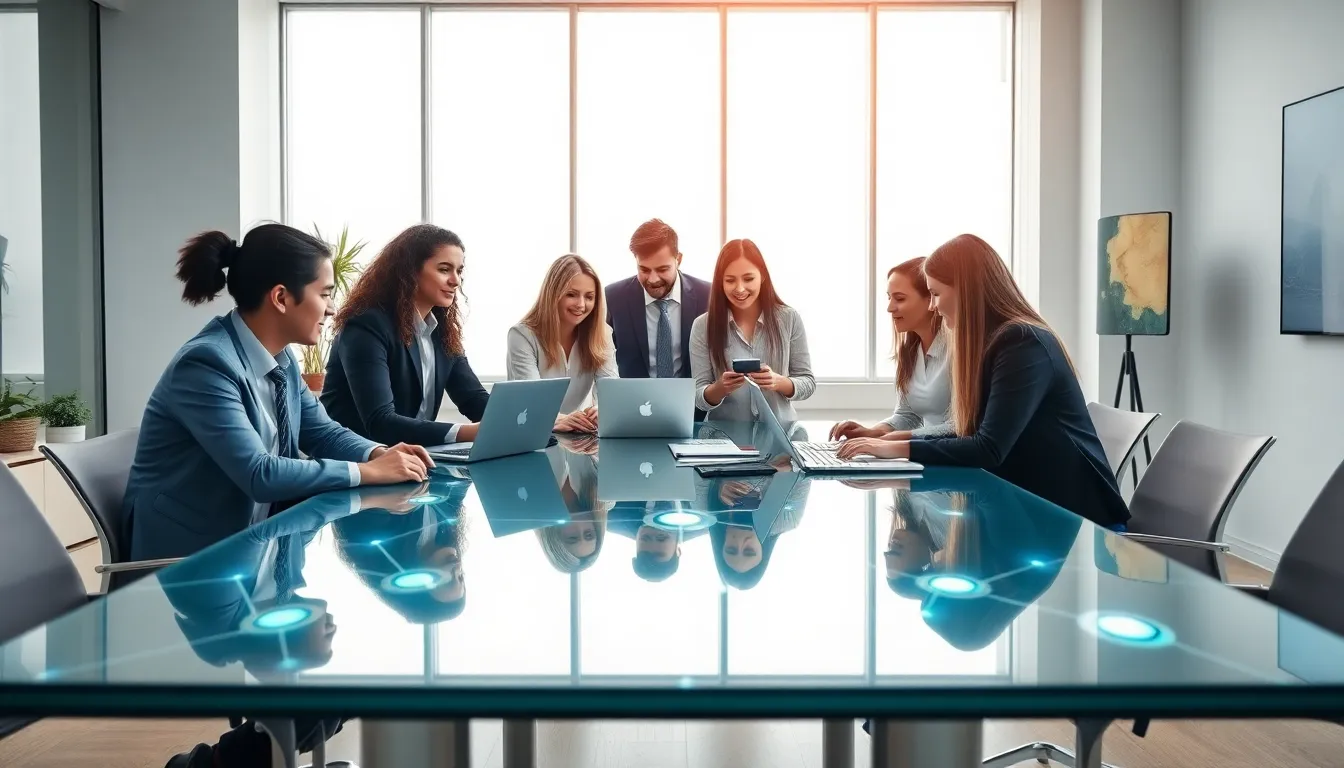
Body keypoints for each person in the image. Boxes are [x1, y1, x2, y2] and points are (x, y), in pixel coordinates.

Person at [124, 224, 434, 562]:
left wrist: (377, 454)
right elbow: (259, 474)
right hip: (193, 562)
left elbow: (322, 433)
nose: (331, 309)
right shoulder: (205, 364)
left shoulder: (280, 357)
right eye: (325, 294)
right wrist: (367, 472)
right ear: (281, 298)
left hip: (262, 547)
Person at [836, 234, 1130, 530]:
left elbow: (988, 448)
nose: (933, 307)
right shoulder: (995, 343)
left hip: (1078, 519)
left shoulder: (1022, 342)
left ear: (965, 291)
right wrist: (885, 442)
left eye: (937, 294)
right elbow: (971, 432)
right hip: (1031, 507)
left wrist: (892, 448)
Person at [322, 224, 489, 447]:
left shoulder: (441, 331)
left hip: (413, 460)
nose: (456, 280)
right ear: (410, 271)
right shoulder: (366, 326)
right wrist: (468, 432)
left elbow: (473, 399)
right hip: (357, 463)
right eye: (444, 269)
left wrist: (518, 419)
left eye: (459, 271)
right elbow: (381, 422)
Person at [690, 239, 815, 422]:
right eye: (730, 280)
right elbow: (698, 397)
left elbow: (808, 382)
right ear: (720, 283)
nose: (740, 289)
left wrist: (779, 382)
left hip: (781, 436)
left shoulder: (789, 318)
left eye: (748, 279)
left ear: (762, 276)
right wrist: (720, 388)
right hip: (725, 440)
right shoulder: (703, 326)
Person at [830, 257, 953, 442]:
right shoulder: (910, 352)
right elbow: (907, 416)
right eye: (889, 298)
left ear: (931, 299)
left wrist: (891, 440)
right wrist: (872, 432)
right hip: (927, 456)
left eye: (900, 298)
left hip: (953, 456)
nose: (889, 308)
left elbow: (962, 425)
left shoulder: (957, 351)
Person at [507, 254, 618, 433]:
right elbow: (531, 399)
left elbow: (611, 392)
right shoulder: (522, 335)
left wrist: (604, 409)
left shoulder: (602, 334)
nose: (581, 304)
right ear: (553, 294)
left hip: (577, 436)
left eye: (589, 297)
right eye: (571, 295)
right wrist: (558, 420)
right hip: (529, 433)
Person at [605, 218, 711, 381]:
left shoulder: (707, 296)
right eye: (644, 270)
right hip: (634, 404)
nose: (653, 279)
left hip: (694, 404)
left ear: (679, 259)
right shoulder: (613, 298)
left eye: (662, 269)